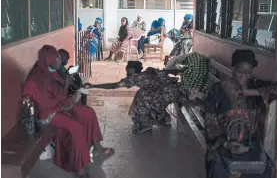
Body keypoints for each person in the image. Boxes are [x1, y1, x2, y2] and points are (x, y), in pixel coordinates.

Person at [23, 45, 114, 178]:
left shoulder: (51, 71)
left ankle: (97, 147)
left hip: (58, 107)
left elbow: (60, 95)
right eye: (58, 58)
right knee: (76, 127)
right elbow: (50, 104)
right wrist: (72, 99)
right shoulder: (37, 79)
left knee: (88, 113)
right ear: (49, 60)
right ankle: (80, 170)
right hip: (46, 115)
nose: (60, 61)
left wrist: (67, 85)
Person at [205, 49, 277, 178]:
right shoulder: (216, 91)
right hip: (222, 146)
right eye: (240, 72)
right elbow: (210, 126)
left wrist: (253, 92)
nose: (244, 77)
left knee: (267, 170)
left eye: (248, 73)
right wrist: (226, 144)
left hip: (250, 147)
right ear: (233, 68)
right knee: (219, 169)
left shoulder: (256, 86)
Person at [84, 61, 187, 134]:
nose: (126, 72)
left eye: (127, 70)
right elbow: (166, 73)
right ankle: (162, 119)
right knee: (145, 94)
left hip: (167, 94)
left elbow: (114, 85)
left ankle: (145, 124)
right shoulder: (149, 71)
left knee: (142, 97)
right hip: (175, 91)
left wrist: (93, 86)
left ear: (133, 70)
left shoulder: (136, 77)